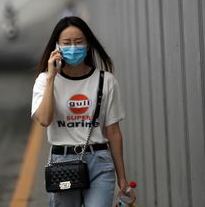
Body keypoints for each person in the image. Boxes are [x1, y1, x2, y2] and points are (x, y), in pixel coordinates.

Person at [31, 16, 136, 206]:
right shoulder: (44, 80)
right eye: (67, 43)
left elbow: (113, 132)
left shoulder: (106, 81)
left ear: (88, 45)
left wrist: (122, 178)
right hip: (62, 163)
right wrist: (51, 78)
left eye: (78, 42)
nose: (73, 47)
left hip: (100, 163)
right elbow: (44, 120)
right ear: (57, 46)